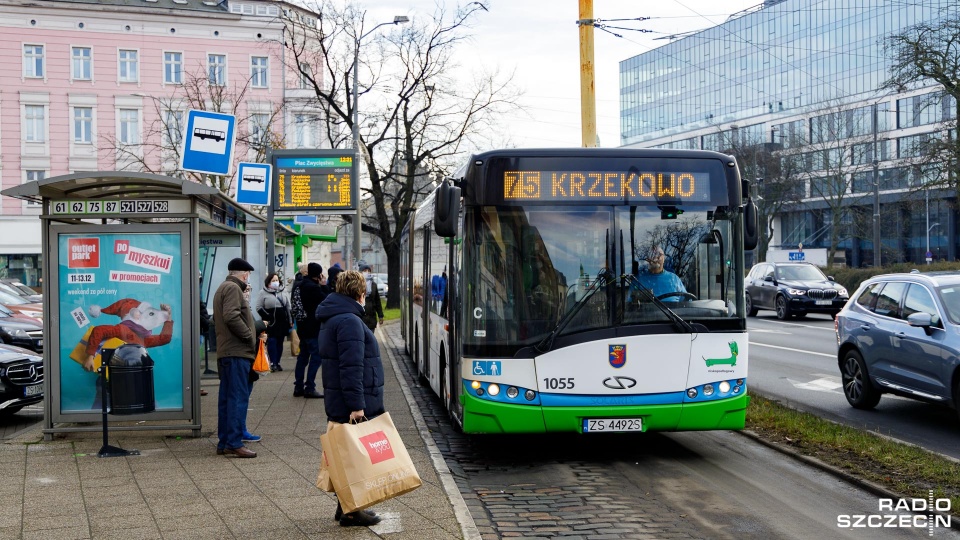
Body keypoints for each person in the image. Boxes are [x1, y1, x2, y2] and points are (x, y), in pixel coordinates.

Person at [316, 270, 385, 527]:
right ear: (360, 293)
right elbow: (351, 366)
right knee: (354, 457)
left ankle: (344, 506)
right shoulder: (349, 321)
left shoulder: (335, 316)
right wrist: (357, 406)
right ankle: (352, 511)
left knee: (345, 453)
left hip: (339, 396)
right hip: (351, 400)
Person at [212, 257, 258, 458]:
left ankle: (225, 442)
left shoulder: (223, 287)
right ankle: (234, 442)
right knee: (238, 398)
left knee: (227, 399)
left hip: (228, 351)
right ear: (245, 274)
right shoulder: (233, 288)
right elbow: (231, 316)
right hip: (236, 352)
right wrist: (248, 336)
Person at [293, 262, 327, 398]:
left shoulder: (299, 285)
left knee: (302, 357)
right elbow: (326, 300)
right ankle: (310, 387)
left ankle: (298, 386)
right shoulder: (313, 288)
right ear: (318, 275)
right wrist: (324, 285)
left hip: (302, 327)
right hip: (313, 328)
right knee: (316, 357)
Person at [256, 272, 292, 372]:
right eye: (273, 280)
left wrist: (290, 320)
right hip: (271, 321)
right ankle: (272, 362)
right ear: (268, 282)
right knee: (272, 341)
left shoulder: (283, 291)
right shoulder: (263, 293)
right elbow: (259, 307)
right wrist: (267, 316)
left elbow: (288, 306)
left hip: (282, 320)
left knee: (280, 341)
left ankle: (278, 362)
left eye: (277, 280)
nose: (276, 282)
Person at [359, 264, 384, 331]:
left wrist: (380, 315)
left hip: (371, 317)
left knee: (370, 335)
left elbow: (377, 301)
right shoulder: (357, 284)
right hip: (361, 316)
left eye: (368, 271)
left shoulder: (373, 285)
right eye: (365, 271)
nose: (367, 272)